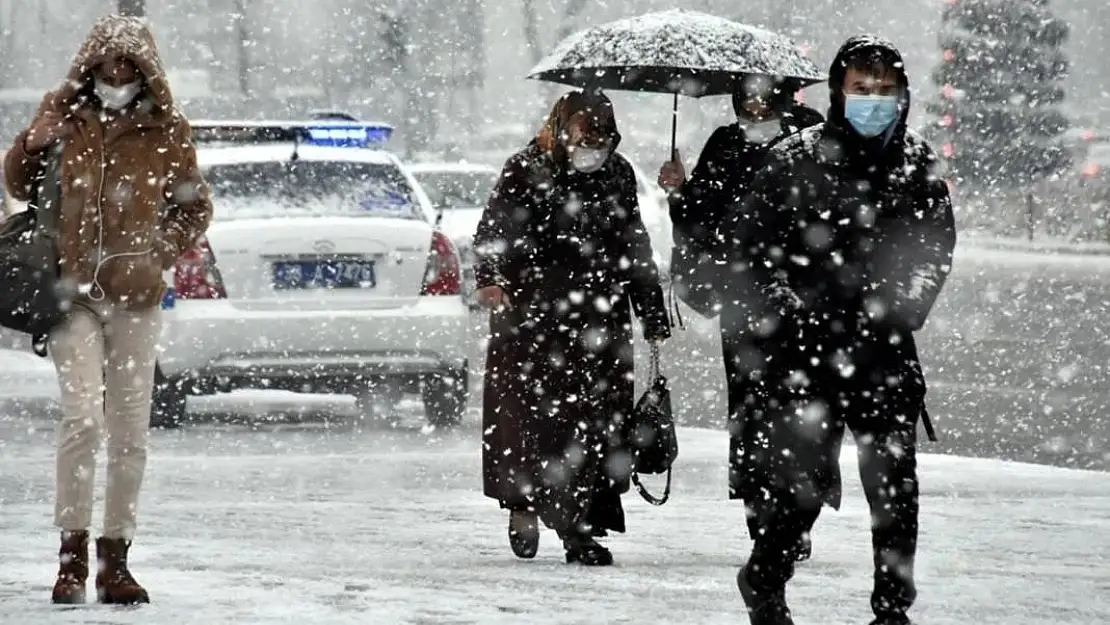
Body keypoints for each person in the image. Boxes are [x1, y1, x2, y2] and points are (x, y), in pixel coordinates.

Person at [721, 36, 957, 625]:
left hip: (884, 353)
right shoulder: (794, 158)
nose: (872, 100)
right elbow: (750, 249)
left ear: (901, 95)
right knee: (802, 484)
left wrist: (899, 310)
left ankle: (891, 606)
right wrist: (787, 313)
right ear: (838, 92)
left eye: (883, 90)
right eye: (861, 89)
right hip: (805, 353)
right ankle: (766, 579)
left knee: (894, 490)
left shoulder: (915, 164)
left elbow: (933, 251)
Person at [3, 15, 212, 605]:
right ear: (89, 66)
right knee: (82, 420)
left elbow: (193, 208)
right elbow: (19, 185)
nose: (116, 76)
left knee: (129, 433)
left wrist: (159, 254)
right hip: (70, 294)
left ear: (145, 71)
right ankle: (69, 556)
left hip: (137, 297)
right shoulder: (63, 115)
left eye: (128, 67)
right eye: (106, 65)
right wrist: (31, 144)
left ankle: (114, 560)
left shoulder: (166, 130)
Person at [474, 89, 671, 566]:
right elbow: (494, 228)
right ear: (561, 129)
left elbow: (633, 241)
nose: (593, 145)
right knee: (532, 423)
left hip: (599, 318)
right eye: (585, 134)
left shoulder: (617, 174)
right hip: (532, 319)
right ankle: (523, 502)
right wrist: (492, 278)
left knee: (595, 425)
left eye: (602, 136)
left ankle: (579, 528)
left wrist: (650, 309)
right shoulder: (525, 169)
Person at [656, 75, 823, 560]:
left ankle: (798, 510)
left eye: (762, 95)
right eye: (745, 96)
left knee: (803, 410)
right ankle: (760, 507)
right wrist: (678, 190)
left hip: (803, 302)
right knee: (752, 410)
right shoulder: (726, 144)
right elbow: (698, 219)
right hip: (744, 302)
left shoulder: (809, 136)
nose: (753, 105)